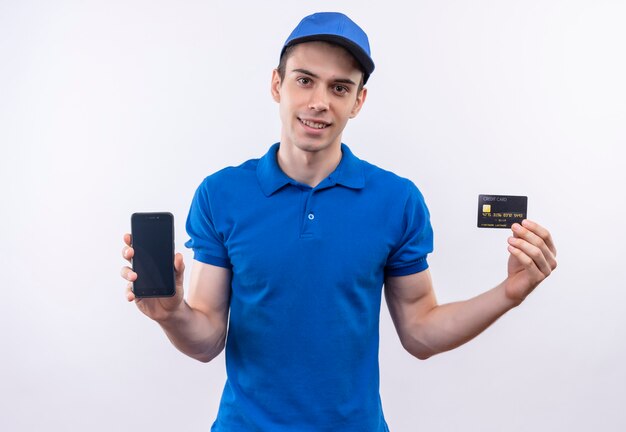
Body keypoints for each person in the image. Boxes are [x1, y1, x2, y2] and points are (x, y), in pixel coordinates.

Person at [120, 12, 557, 432]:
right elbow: (207, 339)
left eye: (340, 88)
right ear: (277, 84)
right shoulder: (221, 195)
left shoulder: (397, 200)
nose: (319, 103)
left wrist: (509, 293)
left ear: (358, 101)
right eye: (304, 80)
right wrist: (172, 313)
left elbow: (420, 331)